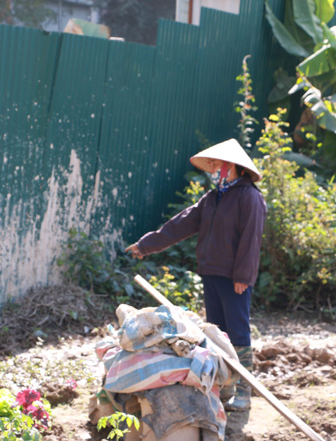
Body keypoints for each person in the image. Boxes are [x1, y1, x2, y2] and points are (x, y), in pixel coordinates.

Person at [125, 138, 266, 412]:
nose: (212, 169)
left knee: (237, 332)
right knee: (216, 333)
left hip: (234, 278)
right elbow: (182, 224)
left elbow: (251, 239)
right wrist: (146, 245)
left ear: (233, 167)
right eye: (210, 165)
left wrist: (243, 276)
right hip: (211, 272)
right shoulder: (212, 198)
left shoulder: (250, 197)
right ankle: (224, 388)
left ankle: (245, 392)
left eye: (216, 164)